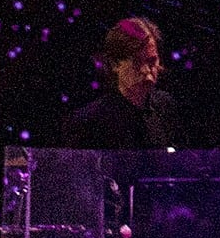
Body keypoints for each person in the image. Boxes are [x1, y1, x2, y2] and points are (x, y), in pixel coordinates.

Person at [63, 16, 178, 149]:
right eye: (137, 62)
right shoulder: (89, 121)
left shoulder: (166, 107)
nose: (146, 71)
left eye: (152, 61)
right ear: (115, 64)